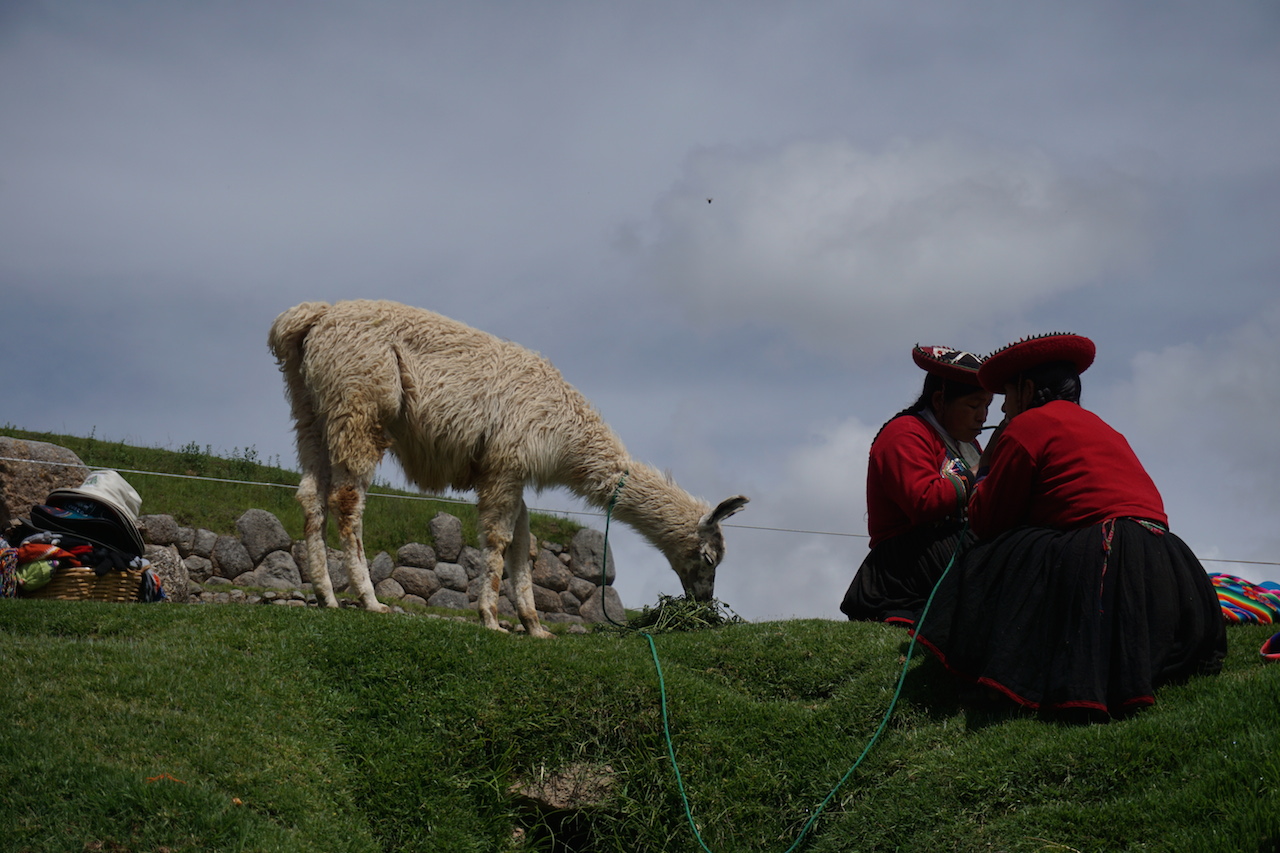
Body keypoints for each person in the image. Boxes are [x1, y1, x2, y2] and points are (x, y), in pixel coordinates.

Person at [914, 333, 1227, 719]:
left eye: (1008, 398)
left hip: (1112, 559)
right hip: (1172, 568)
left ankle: (1000, 677)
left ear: (1027, 391)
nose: (1004, 410)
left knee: (997, 554)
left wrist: (985, 470)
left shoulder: (1027, 426)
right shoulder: (1104, 427)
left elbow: (988, 519)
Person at [840, 345, 993, 625]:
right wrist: (980, 470)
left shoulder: (970, 445)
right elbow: (923, 501)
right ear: (939, 400)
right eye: (973, 406)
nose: (982, 417)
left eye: (987, 406)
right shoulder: (905, 433)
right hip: (909, 560)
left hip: (951, 551)